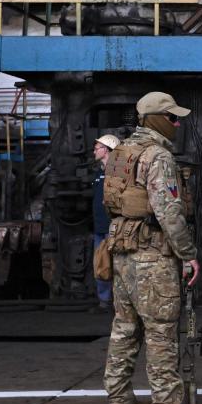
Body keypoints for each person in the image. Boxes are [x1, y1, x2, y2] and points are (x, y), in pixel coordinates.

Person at [102, 91, 202, 404]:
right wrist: (188, 255)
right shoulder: (158, 156)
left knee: (124, 329)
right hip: (152, 257)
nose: (177, 123)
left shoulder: (121, 153)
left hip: (122, 252)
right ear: (157, 120)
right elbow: (169, 212)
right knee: (161, 333)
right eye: (172, 118)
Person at [92, 134, 121, 313]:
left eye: (97, 148)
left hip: (114, 227)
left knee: (118, 266)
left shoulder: (117, 173)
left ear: (107, 150)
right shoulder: (98, 174)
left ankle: (119, 303)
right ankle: (104, 301)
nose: (94, 151)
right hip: (99, 227)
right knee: (101, 264)